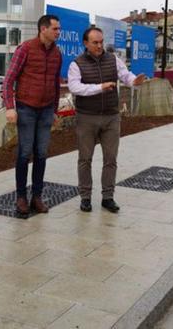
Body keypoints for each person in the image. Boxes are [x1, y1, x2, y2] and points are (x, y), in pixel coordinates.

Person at [68, 26, 145, 213]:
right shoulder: (76, 64)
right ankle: (85, 197)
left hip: (111, 117)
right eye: (95, 42)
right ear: (85, 43)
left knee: (111, 159)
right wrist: (100, 87)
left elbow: (125, 75)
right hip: (86, 117)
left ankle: (108, 197)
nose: (99, 45)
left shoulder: (113, 60)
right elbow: (75, 87)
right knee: (85, 159)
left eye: (101, 41)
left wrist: (134, 81)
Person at [2, 14, 62, 216]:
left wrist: (54, 110)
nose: (58, 32)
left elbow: (55, 84)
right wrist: (10, 107)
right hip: (26, 108)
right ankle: (21, 197)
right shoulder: (25, 49)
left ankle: (37, 196)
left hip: (46, 110)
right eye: (55, 29)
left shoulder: (57, 53)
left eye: (59, 29)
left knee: (42, 153)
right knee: (25, 152)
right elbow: (8, 80)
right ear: (43, 29)